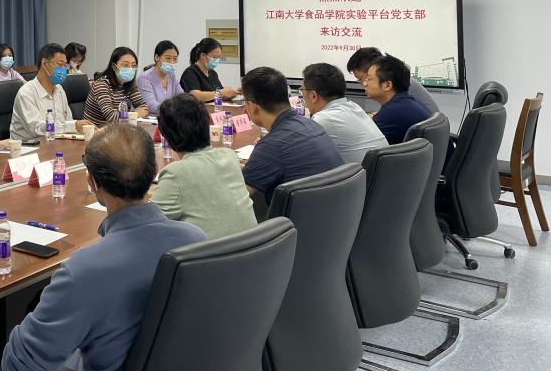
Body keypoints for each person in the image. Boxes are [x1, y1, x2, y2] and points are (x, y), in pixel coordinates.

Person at [1, 124, 206, 371]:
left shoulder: (83, 271)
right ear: (154, 171)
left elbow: (18, 365)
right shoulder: (196, 240)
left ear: (92, 182)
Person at [153, 94, 257, 240]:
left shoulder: (176, 174)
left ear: (167, 136)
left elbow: (147, 222)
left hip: (216, 253)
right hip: (255, 247)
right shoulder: (229, 156)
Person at [241, 66, 343, 207]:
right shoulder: (312, 125)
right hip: (334, 214)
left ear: (252, 107)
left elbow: (238, 195)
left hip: (300, 219)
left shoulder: (272, 145)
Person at [301, 62, 388, 163]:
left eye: (302, 90)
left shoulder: (325, 119)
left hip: (363, 173)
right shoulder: (354, 107)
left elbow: (299, 155)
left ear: (313, 96)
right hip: (380, 171)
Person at [10, 43, 93, 141]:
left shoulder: (59, 90)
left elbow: (68, 120)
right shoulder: (26, 93)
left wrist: (80, 127)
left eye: (65, 65)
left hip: (56, 143)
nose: (64, 69)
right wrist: (73, 126)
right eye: (60, 64)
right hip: (29, 147)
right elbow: (36, 129)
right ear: (44, 63)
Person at [362, 54, 432, 145]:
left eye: (369, 79)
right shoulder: (408, 103)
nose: (364, 84)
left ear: (387, 85)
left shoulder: (390, 113)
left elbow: (363, 145)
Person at [346, 46, 439, 114]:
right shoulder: (398, 84)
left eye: (361, 79)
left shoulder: (401, 85)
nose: (363, 84)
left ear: (373, 69)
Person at [85, 47, 149, 127]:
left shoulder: (128, 84)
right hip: (96, 130)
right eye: (125, 65)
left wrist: (127, 116)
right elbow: (112, 117)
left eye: (133, 66)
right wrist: (134, 114)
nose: (130, 69)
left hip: (117, 128)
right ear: (114, 67)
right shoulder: (101, 85)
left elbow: (144, 108)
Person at [179, 38, 239, 103]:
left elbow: (219, 96)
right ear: (203, 56)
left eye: (219, 57)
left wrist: (233, 93)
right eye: (214, 57)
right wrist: (221, 92)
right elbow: (197, 96)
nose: (217, 60)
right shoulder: (190, 73)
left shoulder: (213, 73)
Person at [136, 41, 182, 116]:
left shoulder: (171, 76)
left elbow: (181, 97)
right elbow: (151, 106)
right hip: (149, 120)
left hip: (168, 118)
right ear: (157, 57)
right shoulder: (144, 78)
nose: (172, 62)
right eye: (168, 58)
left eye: (175, 58)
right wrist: (174, 108)